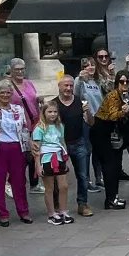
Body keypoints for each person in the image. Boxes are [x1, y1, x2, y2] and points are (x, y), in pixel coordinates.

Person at [0, 79, 33, 226]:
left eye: (8, 92)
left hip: (16, 148)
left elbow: (24, 129)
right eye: (2, 92)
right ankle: (3, 214)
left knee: (19, 182)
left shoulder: (18, 109)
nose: (5, 95)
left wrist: (28, 148)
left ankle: (23, 211)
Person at [91, 71, 129, 210]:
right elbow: (113, 116)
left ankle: (113, 197)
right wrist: (124, 112)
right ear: (117, 83)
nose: (125, 84)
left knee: (114, 166)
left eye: (127, 81)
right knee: (110, 167)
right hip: (102, 132)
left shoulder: (123, 95)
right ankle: (111, 199)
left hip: (111, 132)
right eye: (122, 81)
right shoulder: (113, 96)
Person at [56, 75, 95, 217]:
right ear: (59, 86)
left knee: (83, 175)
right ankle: (57, 204)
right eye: (65, 85)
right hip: (60, 145)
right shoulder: (54, 104)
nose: (68, 88)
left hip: (79, 143)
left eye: (71, 86)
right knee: (57, 176)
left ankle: (82, 203)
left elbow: (91, 123)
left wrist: (87, 111)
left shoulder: (79, 102)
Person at [32, 101, 72, 225]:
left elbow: (62, 142)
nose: (52, 114)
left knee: (63, 186)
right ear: (44, 113)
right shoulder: (39, 128)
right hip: (46, 159)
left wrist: (66, 159)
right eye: (49, 112)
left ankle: (63, 210)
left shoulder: (60, 126)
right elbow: (36, 149)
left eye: (55, 112)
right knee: (49, 188)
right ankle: (51, 213)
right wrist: (38, 165)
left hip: (59, 157)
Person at [7, 58, 43, 195]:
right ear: (11, 70)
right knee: (22, 157)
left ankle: (34, 184)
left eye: (22, 68)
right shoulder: (8, 85)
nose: (20, 71)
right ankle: (11, 182)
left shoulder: (29, 83)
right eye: (17, 69)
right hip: (18, 126)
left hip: (34, 123)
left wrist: (39, 100)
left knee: (35, 153)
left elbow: (33, 99)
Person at [75, 57, 105, 194]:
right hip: (86, 120)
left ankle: (99, 178)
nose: (90, 67)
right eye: (87, 65)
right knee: (87, 151)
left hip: (99, 119)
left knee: (98, 151)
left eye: (92, 65)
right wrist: (80, 80)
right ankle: (86, 181)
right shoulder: (79, 80)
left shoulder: (97, 81)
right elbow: (76, 96)